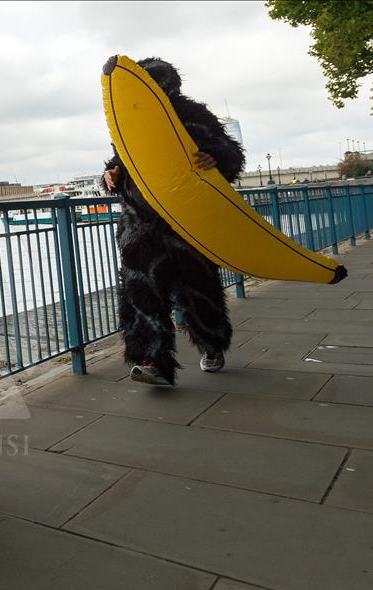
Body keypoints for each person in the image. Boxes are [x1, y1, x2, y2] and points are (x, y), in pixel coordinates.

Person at [101, 57, 245, 386]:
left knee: (199, 287)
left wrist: (216, 157)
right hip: (141, 228)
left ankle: (211, 345)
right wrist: (110, 176)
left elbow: (230, 154)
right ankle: (152, 361)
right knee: (141, 293)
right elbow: (118, 166)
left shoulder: (193, 115)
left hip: (189, 223)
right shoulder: (129, 120)